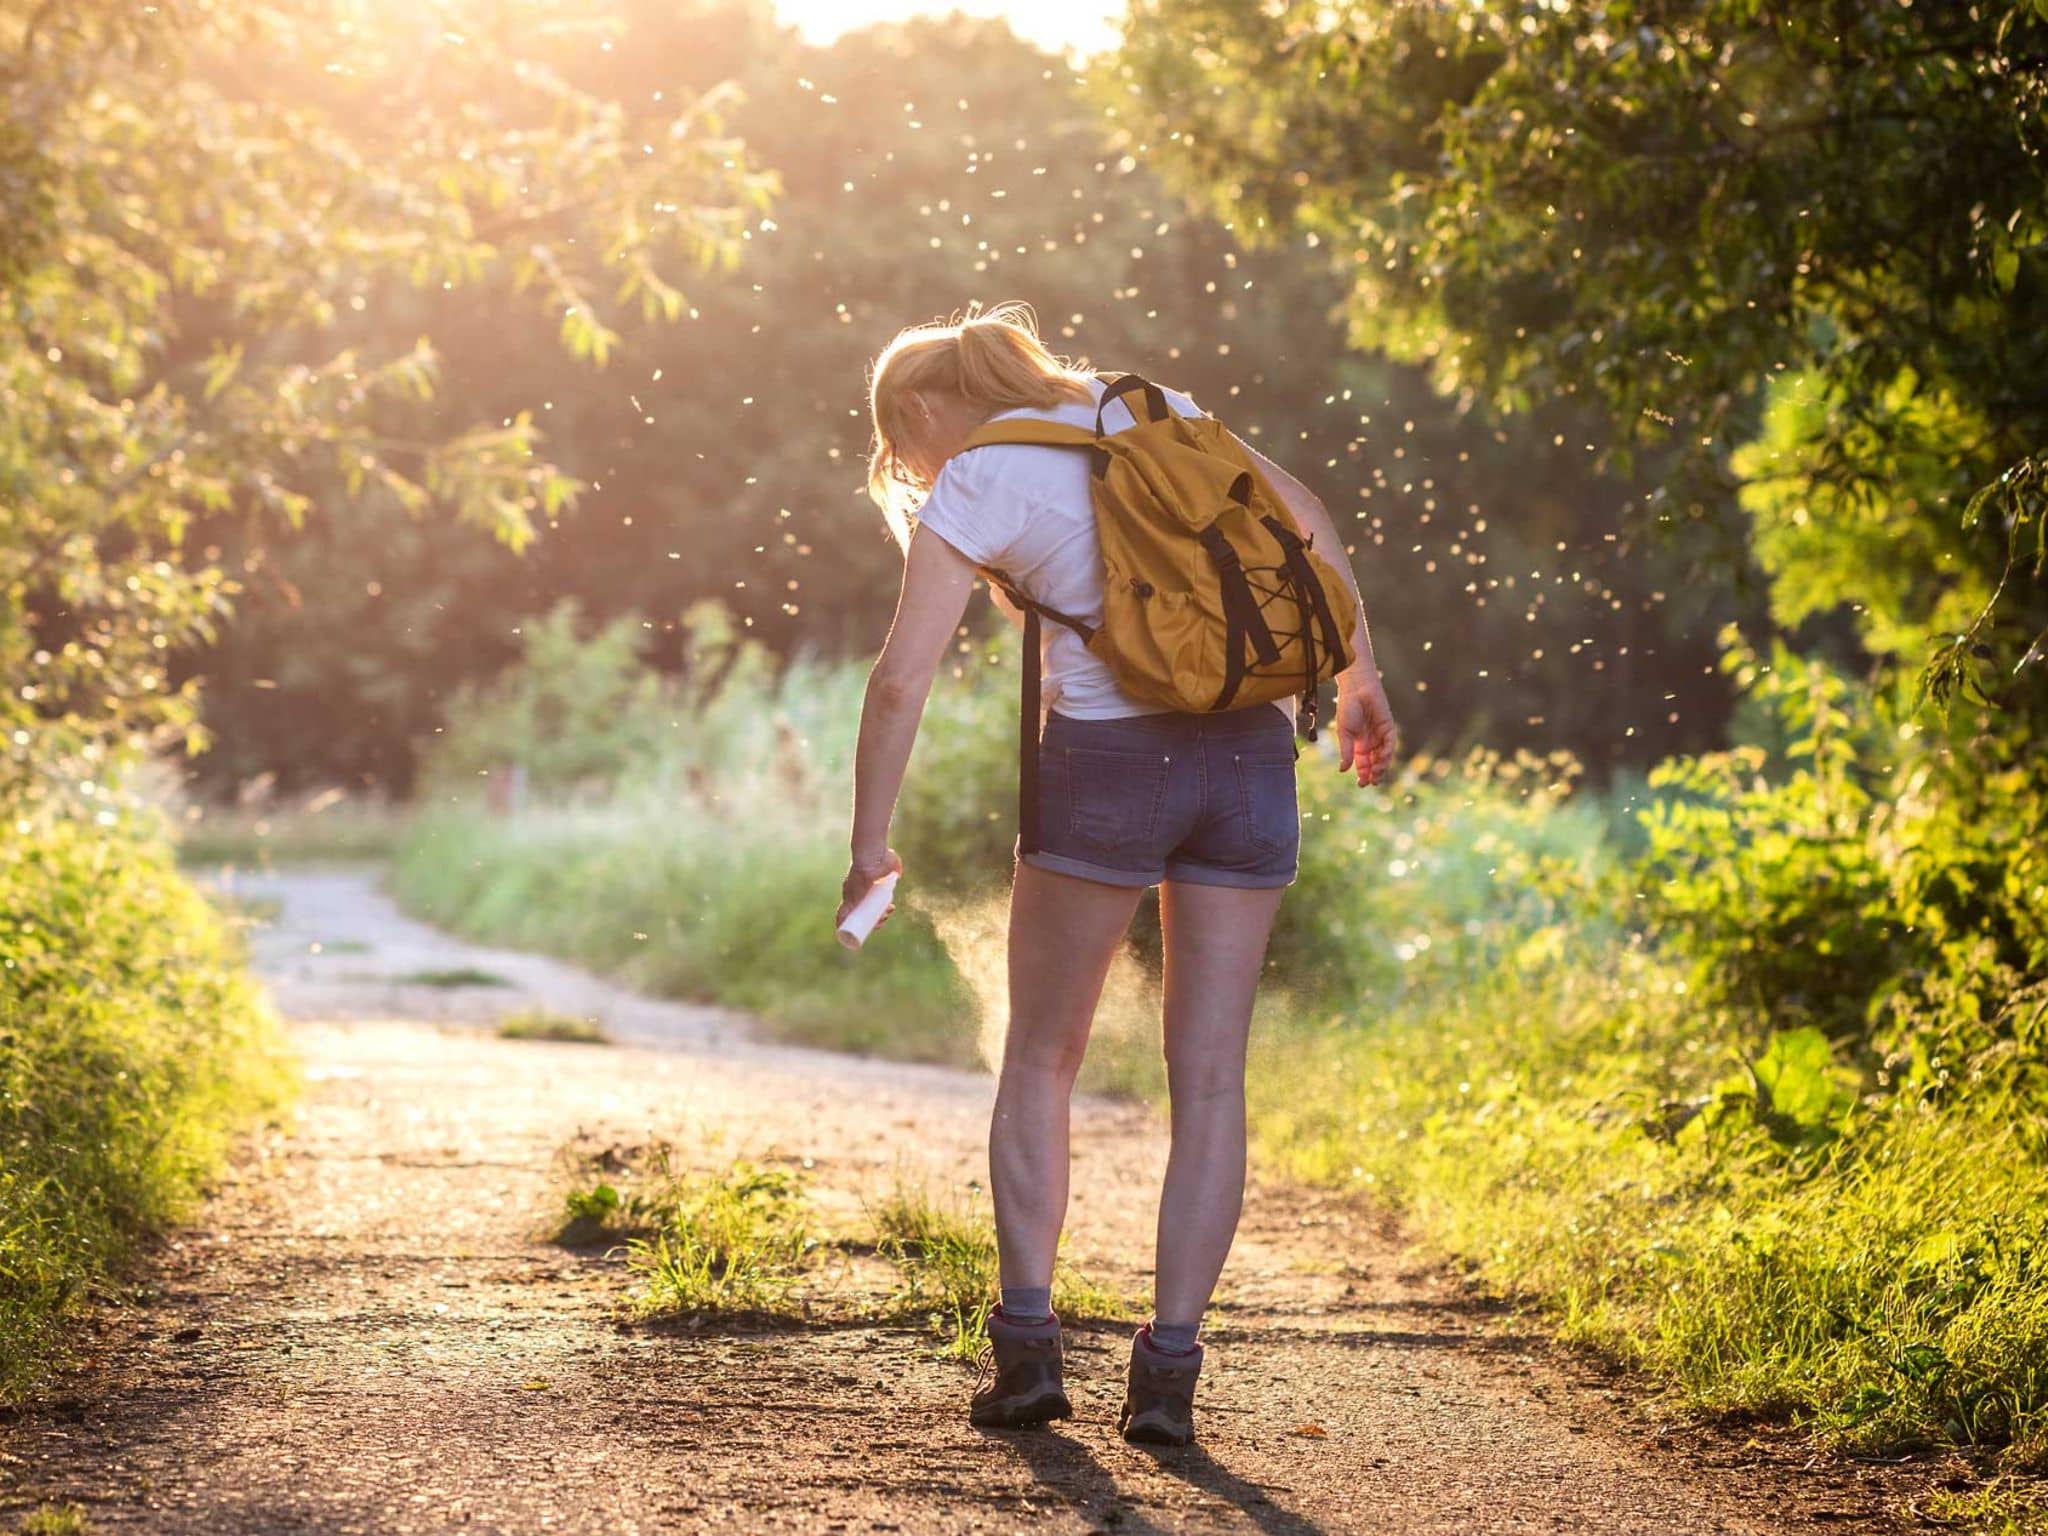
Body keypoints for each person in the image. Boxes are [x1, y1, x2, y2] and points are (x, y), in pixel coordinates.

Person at [837, 303, 1398, 1446]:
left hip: (1103, 766)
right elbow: (1306, 516)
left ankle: (1030, 1358)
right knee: (1208, 1082)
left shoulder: (981, 476)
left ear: (921, 411)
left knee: (1040, 1057)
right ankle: (1168, 1378)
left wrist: (867, 842)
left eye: (904, 447)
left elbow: (901, 680)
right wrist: (1355, 680)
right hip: (1248, 757)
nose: (912, 469)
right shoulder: (1152, 409)